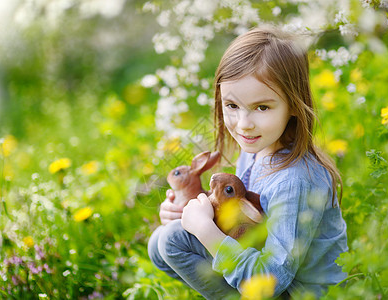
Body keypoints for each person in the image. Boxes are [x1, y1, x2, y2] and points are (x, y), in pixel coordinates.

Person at [148, 26, 348, 299]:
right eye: (232, 106)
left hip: (298, 292)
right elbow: (244, 216)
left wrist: (206, 230)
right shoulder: (255, 150)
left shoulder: (296, 180)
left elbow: (273, 281)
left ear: (293, 104)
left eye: (262, 107)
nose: (243, 124)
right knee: (159, 243)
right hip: (262, 264)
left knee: (173, 240)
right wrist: (188, 211)